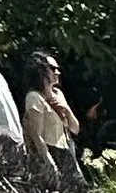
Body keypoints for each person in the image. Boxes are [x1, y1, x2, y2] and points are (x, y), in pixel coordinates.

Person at [24, 53, 86, 187]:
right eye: (52, 68)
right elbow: (36, 135)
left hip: (67, 150)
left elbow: (75, 129)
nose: (57, 72)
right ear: (40, 70)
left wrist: (67, 110)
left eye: (58, 68)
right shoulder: (34, 98)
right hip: (51, 152)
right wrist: (49, 162)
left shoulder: (59, 94)